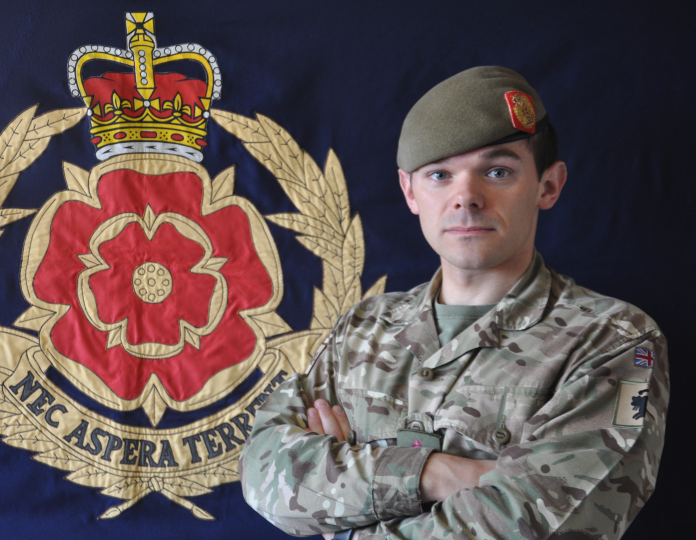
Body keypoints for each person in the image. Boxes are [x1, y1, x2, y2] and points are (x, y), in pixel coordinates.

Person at [238, 66, 669, 540]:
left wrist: (342, 492)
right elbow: (265, 475)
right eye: (440, 174)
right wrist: (436, 474)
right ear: (410, 192)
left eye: (497, 171)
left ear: (548, 185)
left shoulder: (611, 340)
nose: (466, 197)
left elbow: (542, 526)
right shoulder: (363, 327)